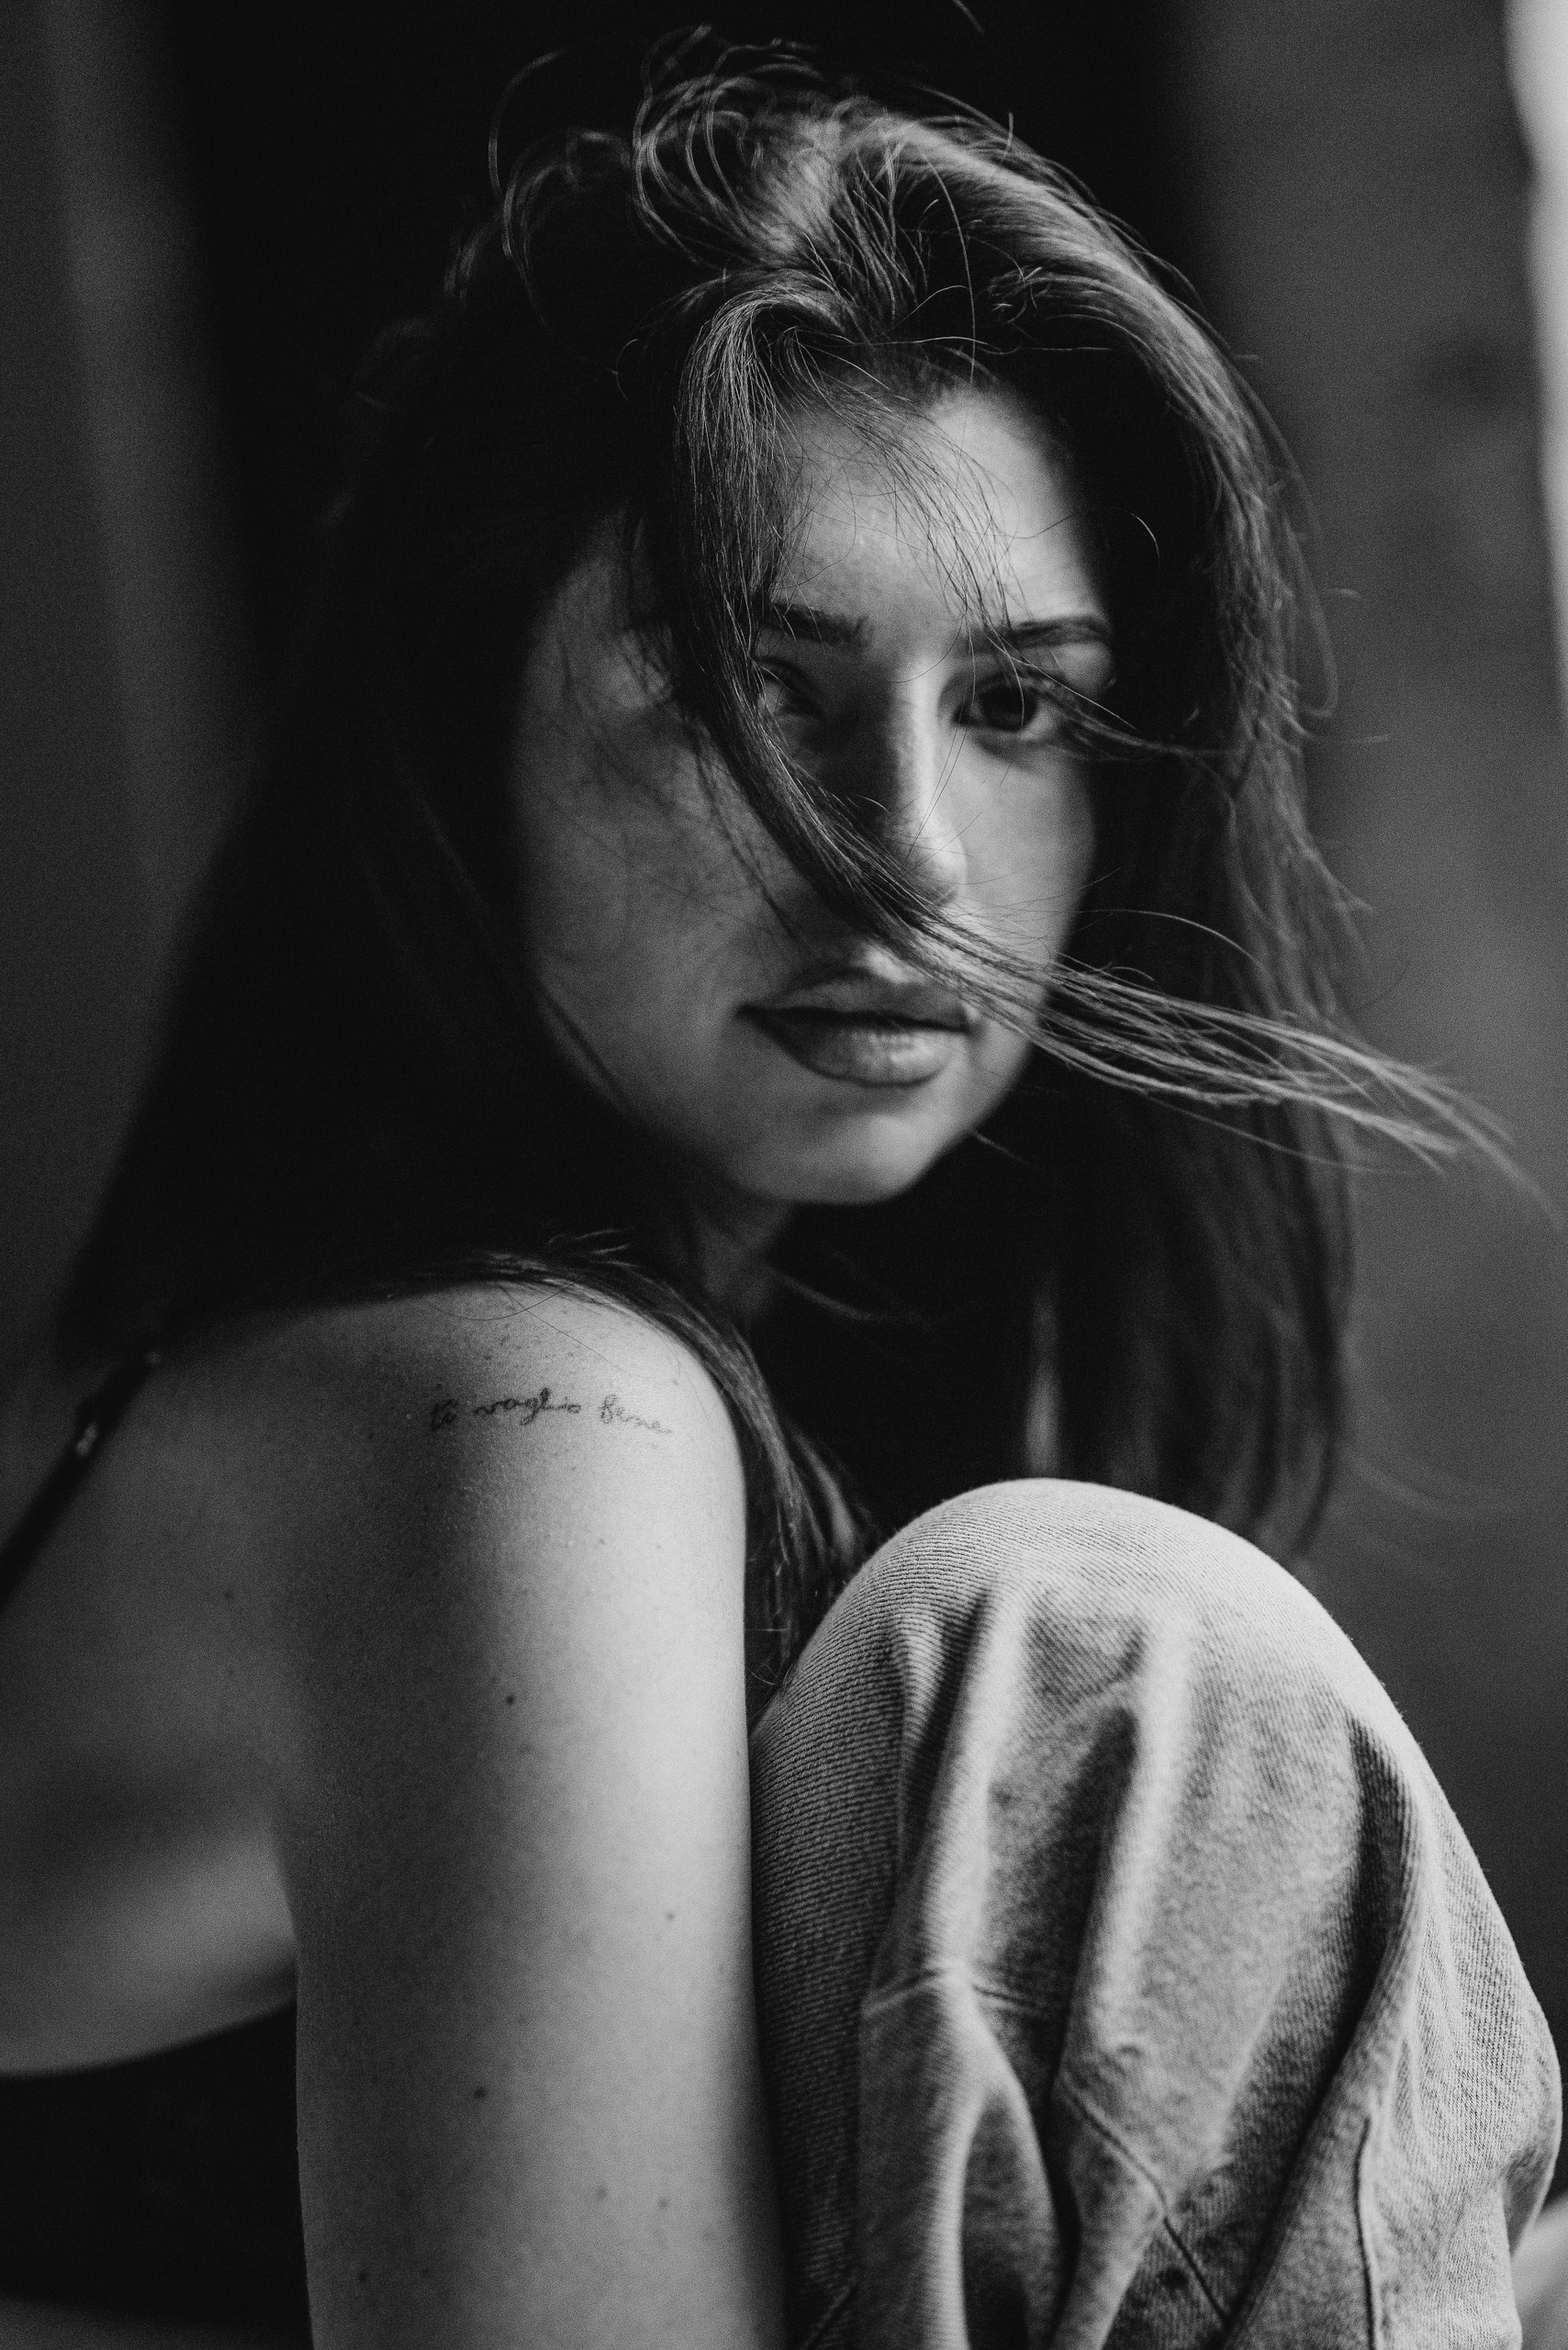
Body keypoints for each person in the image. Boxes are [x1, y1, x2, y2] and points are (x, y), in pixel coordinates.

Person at [0, 41, 1560, 2348]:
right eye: (751, 680)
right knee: (1103, 1657)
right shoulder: (515, 1424)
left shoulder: (413, 1360)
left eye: (1013, 708)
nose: (905, 859)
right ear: (461, 717)